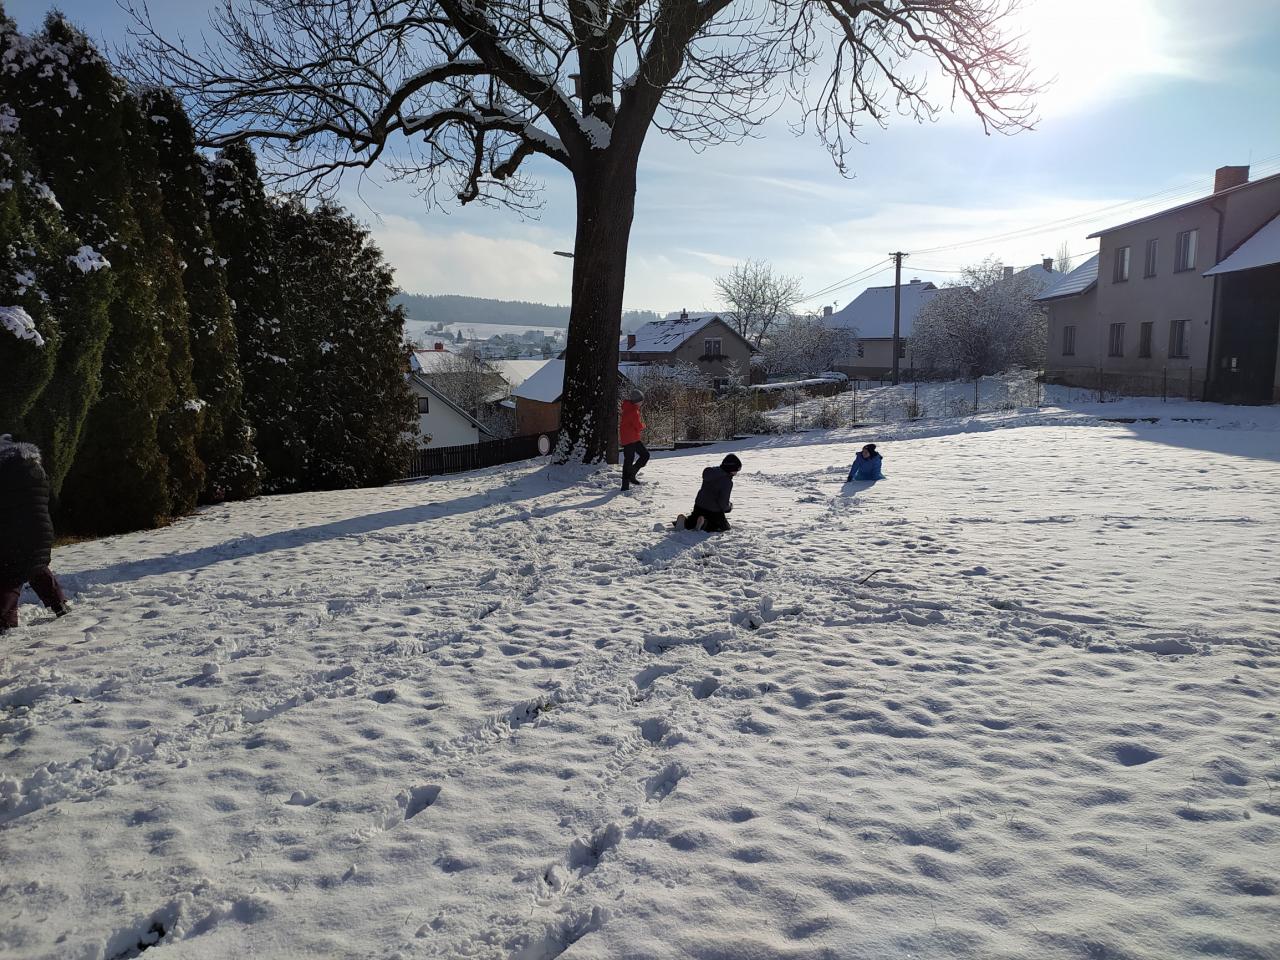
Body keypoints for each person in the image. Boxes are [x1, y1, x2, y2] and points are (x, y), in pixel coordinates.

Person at [0, 435, 68, 632]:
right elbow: (50, 499)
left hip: (13, 532)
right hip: (42, 530)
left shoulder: (4, 473)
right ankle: (59, 603)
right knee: (35, 565)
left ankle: (5, 621)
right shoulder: (34, 469)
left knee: (8, 573)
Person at [676, 454, 741, 532]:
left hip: (699, 505)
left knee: (694, 519)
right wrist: (729, 507)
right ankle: (704, 524)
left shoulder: (711, 473)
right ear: (730, 469)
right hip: (713, 510)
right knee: (723, 527)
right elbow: (723, 501)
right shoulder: (727, 482)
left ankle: (685, 522)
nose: (736, 473)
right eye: (736, 470)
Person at [620, 388, 650, 491]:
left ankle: (629, 479)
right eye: (641, 401)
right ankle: (629, 478)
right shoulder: (633, 411)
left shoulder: (628, 408)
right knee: (643, 456)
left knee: (630, 460)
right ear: (637, 401)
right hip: (631, 439)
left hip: (629, 438)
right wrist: (643, 425)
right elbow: (638, 426)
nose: (642, 403)